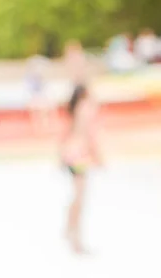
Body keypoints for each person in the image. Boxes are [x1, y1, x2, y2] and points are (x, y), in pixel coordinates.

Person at [60, 84, 101, 255]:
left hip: (72, 155)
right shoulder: (84, 110)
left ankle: (69, 229)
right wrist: (98, 156)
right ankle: (76, 239)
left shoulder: (75, 110)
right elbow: (88, 136)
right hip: (79, 157)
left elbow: (67, 134)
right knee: (80, 198)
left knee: (77, 197)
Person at [26, 55, 57, 134]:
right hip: (36, 98)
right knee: (37, 112)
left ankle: (44, 128)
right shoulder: (31, 79)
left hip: (41, 98)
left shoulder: (40, 79)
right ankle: (38, 128)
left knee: (43, 111)